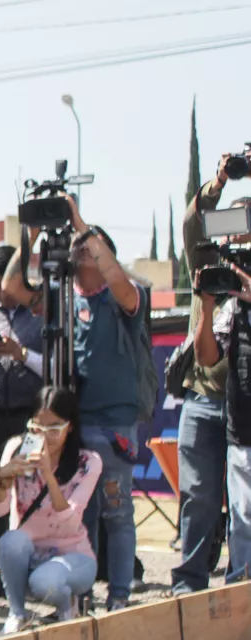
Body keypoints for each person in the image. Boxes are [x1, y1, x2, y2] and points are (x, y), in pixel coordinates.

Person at [2, 196, 148, 611]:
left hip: (114, 424)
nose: (82, 248)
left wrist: (82, 224)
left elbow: (117, 279)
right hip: (72, 425)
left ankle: (118, 596)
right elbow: (13, 287)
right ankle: (78, 598)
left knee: (117, 512)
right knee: (78, 514)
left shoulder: (126, 297)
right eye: (80, 243)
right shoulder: (64, 296)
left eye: (93, 245)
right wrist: (30, 236)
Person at [171, 153, 248, 594]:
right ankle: (189, 582)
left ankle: (241, 580)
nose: (238, 230)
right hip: (202, 397)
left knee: (245, 505)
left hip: (246, 401)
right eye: (233, 220)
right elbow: (191, 222)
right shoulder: (209, 256)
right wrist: (219, 180)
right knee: (197, 496)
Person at [0, 387, 100, 633]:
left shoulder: (88, 462)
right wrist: (5, 479)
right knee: (9, 541)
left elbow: (70, 521)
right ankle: (17, 613)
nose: (45, 436)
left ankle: (67, 605)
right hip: (27, 552)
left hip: (72, 554)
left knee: (44, 582)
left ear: (70, 427)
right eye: (37, 428)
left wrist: (48, 473)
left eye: (54, 429)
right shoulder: (17, 447)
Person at [0, 243, 44, 597]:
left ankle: (29, 566)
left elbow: (56, 367)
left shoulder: (40, 313)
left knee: (29, 489)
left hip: (29, 417)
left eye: (4, 283)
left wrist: (22, 354)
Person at [194, 260, 251, 584]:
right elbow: (206, 359)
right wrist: (206, 305)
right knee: (243, 524)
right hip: (243, 433)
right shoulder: (234, 309)